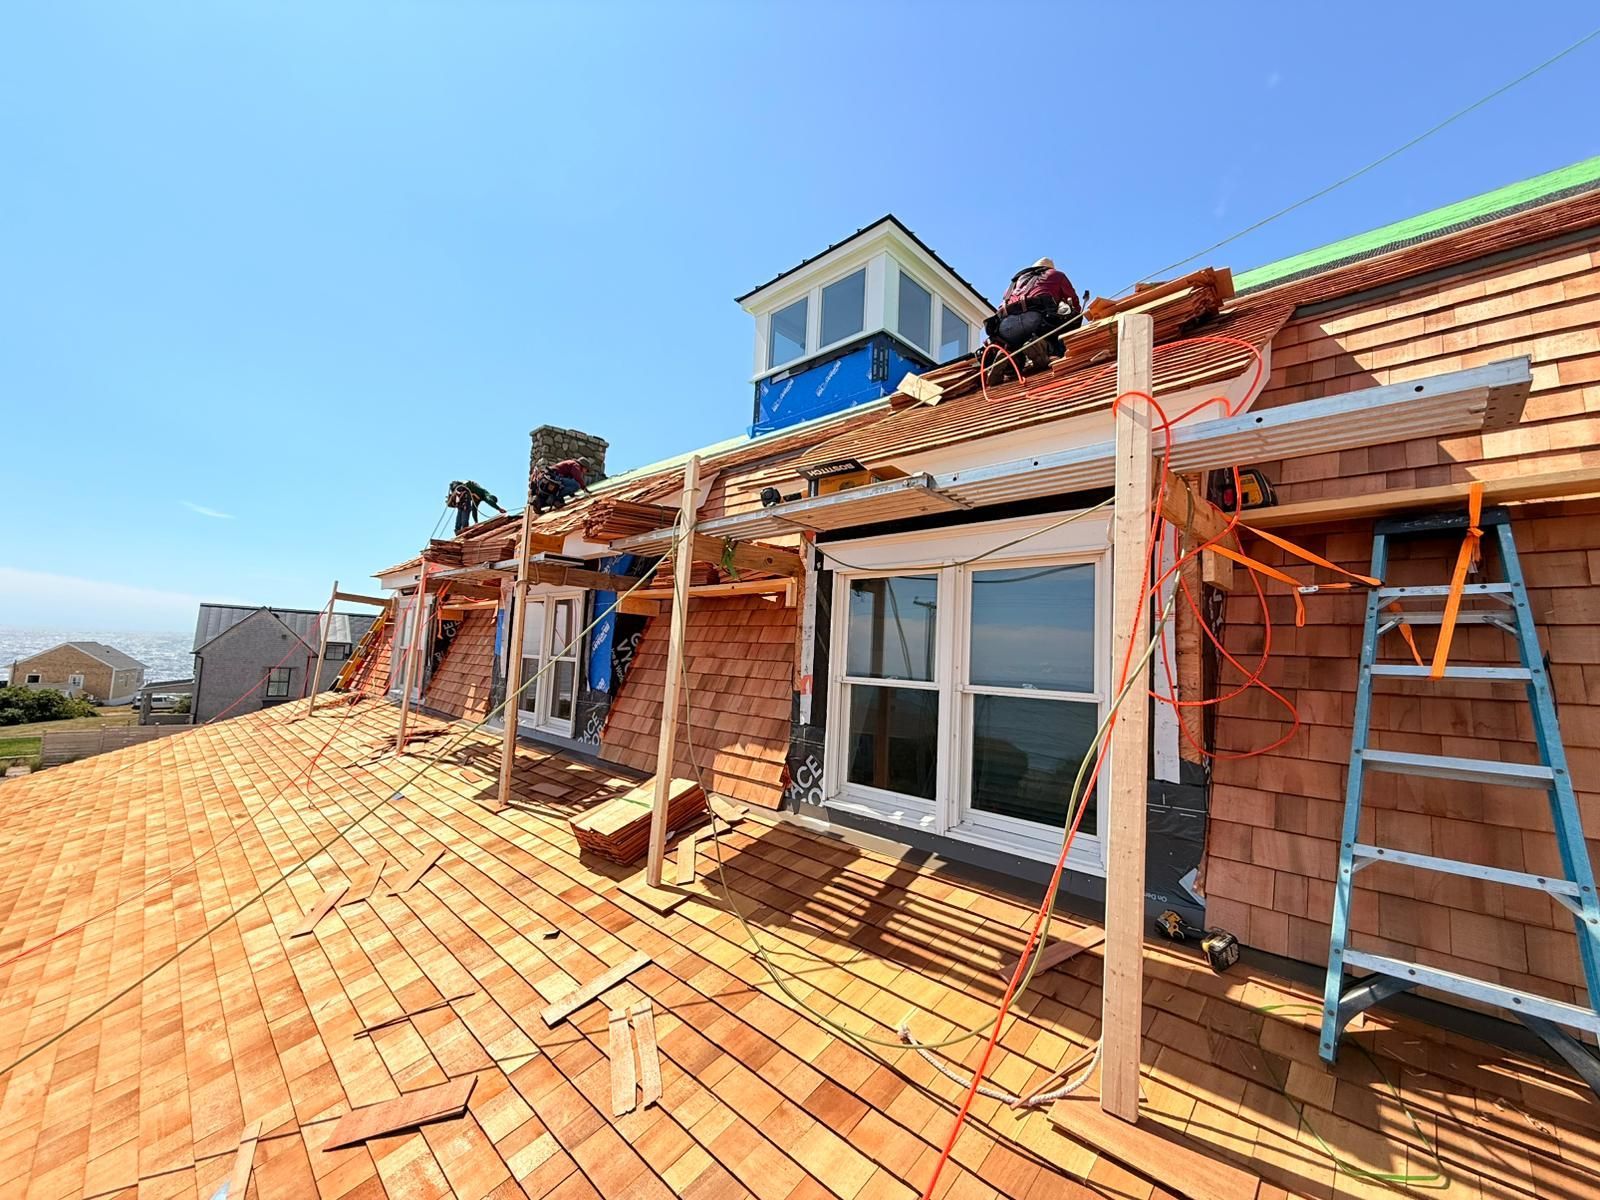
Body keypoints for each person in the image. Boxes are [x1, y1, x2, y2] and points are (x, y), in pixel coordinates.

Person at [981, 257, 1084, 380]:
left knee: (1015, 346)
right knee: (1068, 319)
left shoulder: (1014, 284)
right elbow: (1074, 303)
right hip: (1034, 320)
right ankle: (1045, 348)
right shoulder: (1056, 275)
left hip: (1005, 327)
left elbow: (1002, 307)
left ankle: (1010, 360)